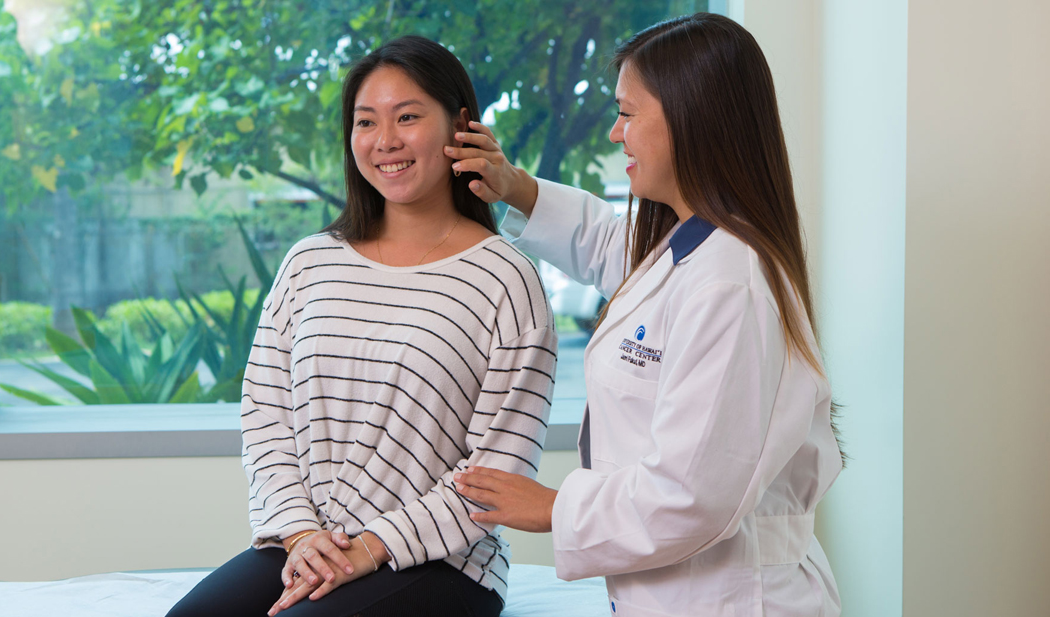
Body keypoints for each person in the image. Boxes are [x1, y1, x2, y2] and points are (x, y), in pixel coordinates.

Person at [448, 13, 843, 617]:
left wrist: (554, 507)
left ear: (692, 120)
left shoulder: (729, 284)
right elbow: (611, 248)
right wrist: (513, 185)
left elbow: (691, 496)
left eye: (628, 114)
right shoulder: (690, 246)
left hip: (731, 599)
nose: (614, 132)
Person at [165, 35, 557, 617]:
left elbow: (498, 471)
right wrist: (300, 535)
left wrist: (372, 548)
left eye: (408, 117)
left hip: (443, 563)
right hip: (312, 543)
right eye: (366, 122)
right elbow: (265, 414)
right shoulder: (309, 262)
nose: (385, 141)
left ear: (461, 126)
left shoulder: (506, 279)